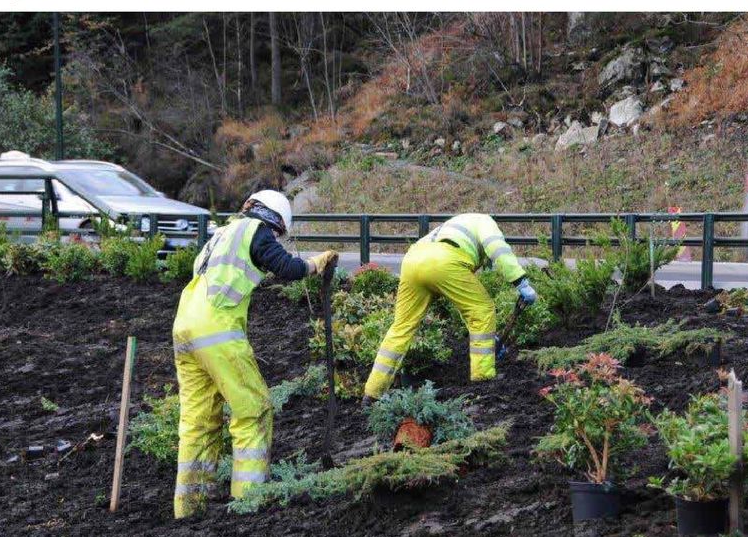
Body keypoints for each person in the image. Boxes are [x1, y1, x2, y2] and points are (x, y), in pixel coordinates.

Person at [172, 188, 337, 518]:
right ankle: (248, 501)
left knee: (199, 421)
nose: (275, 238)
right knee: (254, 410)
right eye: (278, 233)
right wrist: (314, 265)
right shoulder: (254, 231)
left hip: (184, 327)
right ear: (275, 220)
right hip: (217, 329)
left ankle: (188, 507)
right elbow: (285, 267)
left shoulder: (219, 234)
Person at [363, 214, 537, 401]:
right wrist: (520, 281)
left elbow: (461, 301)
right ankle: (483, 380)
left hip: (412, 260)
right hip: (444, 260)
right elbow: (497, 249)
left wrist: (486, 333)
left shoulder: (455, 224)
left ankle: (373, 393)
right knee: (482, 310)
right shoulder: (486, 221)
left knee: (401, 327)